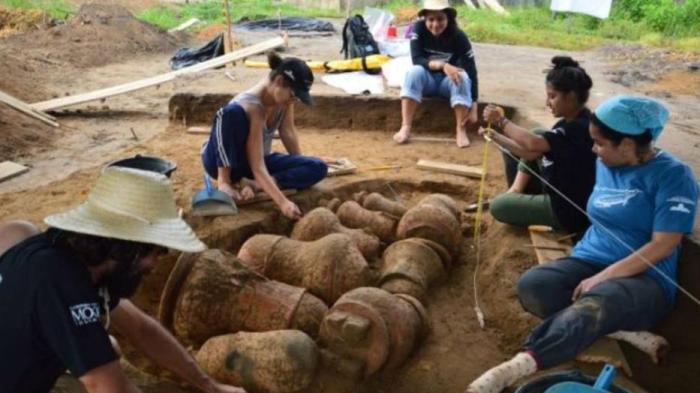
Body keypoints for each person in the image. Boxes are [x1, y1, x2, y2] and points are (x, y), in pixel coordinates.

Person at [465, 96, 698, 393]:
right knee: (534, 285)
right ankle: (623, 331)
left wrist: (603, 277)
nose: (593, 149)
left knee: (598, 301)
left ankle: (519, 365)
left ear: (626, 145)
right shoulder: (605, 162)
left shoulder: (673, 176)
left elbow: (664, 244)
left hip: (645, 280)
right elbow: (540, 148)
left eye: (599, 143)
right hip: (590, 258)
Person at [0, 166, 247, 393]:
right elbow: (109, 388)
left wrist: (211, 386)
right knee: (103, 356)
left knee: (105, 349)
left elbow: (142, 329)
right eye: (158, 250)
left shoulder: (79, 258)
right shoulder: (60, 280)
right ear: (127, 247)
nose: (157, 262)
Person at [201, 52, 330, 219]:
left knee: (318, 167)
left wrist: (299, 163)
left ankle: (253, 184)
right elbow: (257, 167)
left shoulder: (283, 100)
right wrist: (283, 203)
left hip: (254, 162)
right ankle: (224, 181)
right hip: (225, 161)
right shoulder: (253, 106)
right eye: (292, 96)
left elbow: (288, 132)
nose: (293, 101)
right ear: (279, 81)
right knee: (230, 113)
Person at [481, 56, 596, 234]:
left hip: (567, 211)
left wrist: (501, 121)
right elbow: (529, 153)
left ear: (571, 96)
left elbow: (533, 144)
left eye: (552, 96)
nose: (547, 103)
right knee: (538, 132)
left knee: (499, 206)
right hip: (557, 191)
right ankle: (516, 190)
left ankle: (518, 198)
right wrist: (496, 136)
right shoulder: (570, 122)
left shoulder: (579, 128)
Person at [393, 0, 479, 148]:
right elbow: (417, 59)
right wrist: (443, 65)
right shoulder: (418, 29)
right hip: (427, 81)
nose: (435, 24)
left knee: (462, 76)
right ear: (424, 19)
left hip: (449, 84)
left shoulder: (459, 36)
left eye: (440, 19)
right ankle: (406, 126)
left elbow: (471, 70)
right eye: (431, 19)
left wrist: (474, 106)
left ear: (448, 19)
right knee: (414, 72)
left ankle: (460, 129)